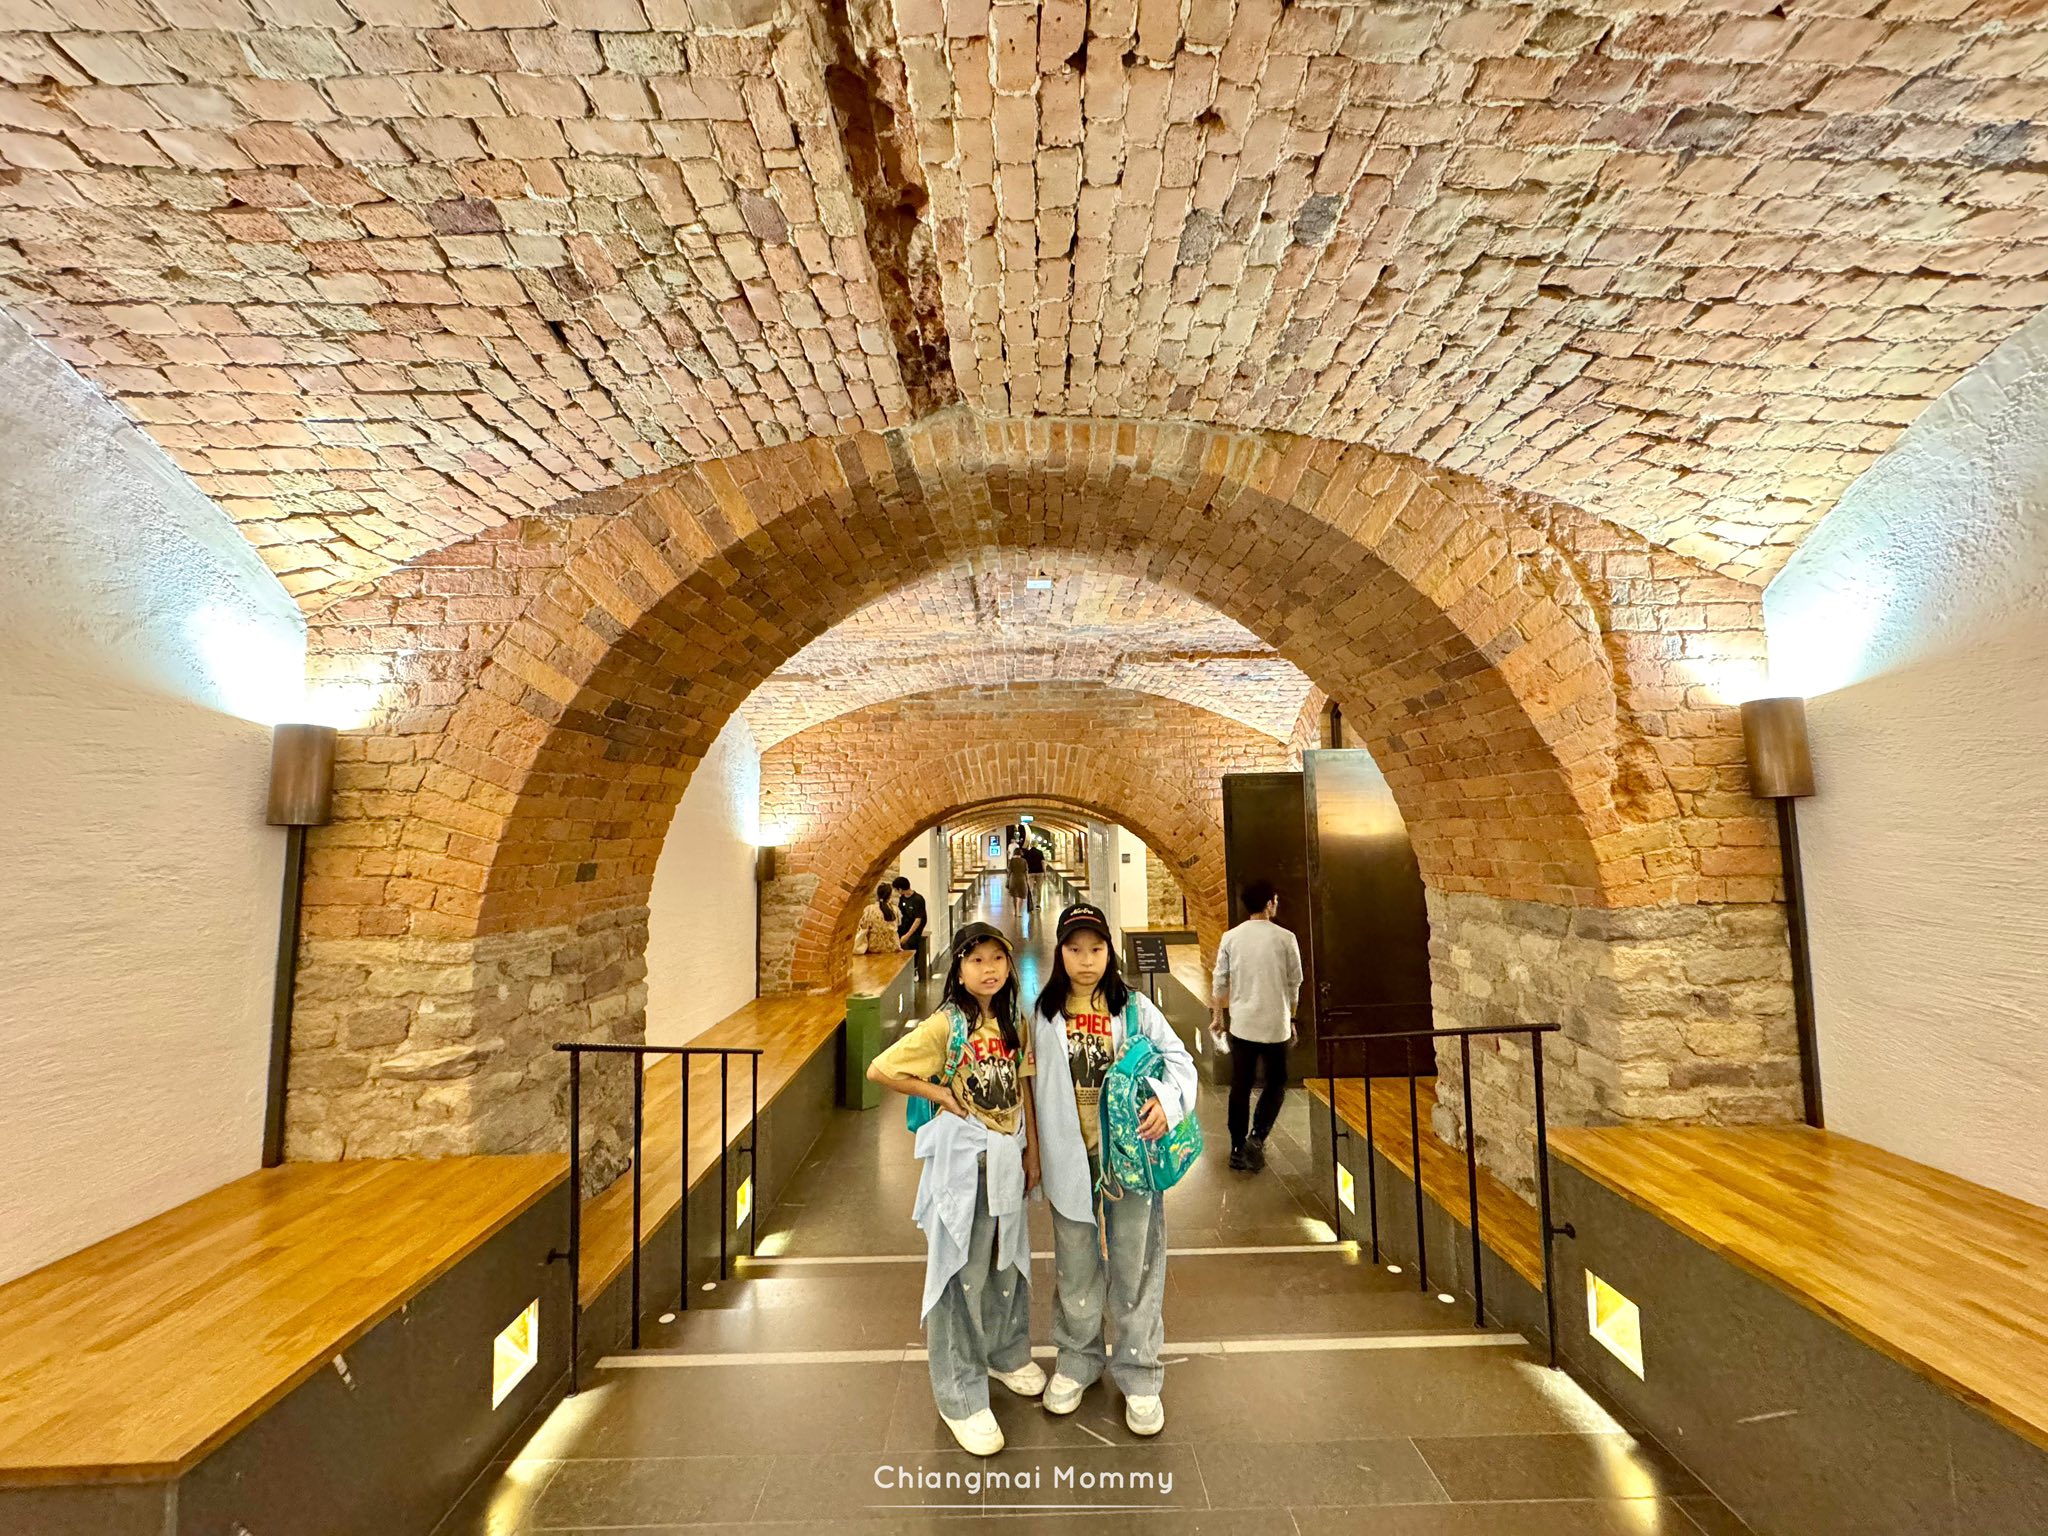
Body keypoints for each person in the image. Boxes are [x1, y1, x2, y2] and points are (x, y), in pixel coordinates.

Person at [866, 922, 1043, 1455]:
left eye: (997, 959)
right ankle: (959, 1392)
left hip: (1008, 1155)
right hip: (966, 1164)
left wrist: (1033, 1149)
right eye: (976, 960)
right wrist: (938, 1094)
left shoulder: (1013, 1020)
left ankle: (1005, 1352)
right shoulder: (946, 1024)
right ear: (959, 970)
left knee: (1007, 1259)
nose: (989, 969)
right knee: (960, 1270)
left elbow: (1024, 1085)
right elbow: (880, 1069)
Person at [1031, 900, 1198, 1438]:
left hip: (1128, 1158)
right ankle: (1077, 1359)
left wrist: (1166, 1103)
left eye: (1096, 949)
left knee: (1136, 1261)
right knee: (1075, 1262)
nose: (1086, 960)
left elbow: (1180, 1061)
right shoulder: (1043, 1013)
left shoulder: (1136, 1009)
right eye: (1075, 949)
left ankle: (1139, 1371)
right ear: (1060, 953)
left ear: (1110, 952)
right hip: (1070, 1157)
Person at [1210, 878, 1304, 1173]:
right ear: (1268, 903)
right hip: (1276, 1025)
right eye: (1275, 899)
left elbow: (1219, 981)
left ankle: (1237, 1148)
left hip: (1243, 1025)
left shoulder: (1231, 937)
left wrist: (1218, 1017)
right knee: (1276, 1083)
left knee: (1241, 1085)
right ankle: (1258, 1135)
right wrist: (1292, 1017)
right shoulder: (1286, 938)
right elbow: (1295, 983)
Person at [893, 874, 930, 981]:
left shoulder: (918, 899)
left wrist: (907, 935)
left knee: (911, 942)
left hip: (915, 928)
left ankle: (914, 969)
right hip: (904, 925)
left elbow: (918, 920)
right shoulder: (902, 898)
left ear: (900, 889)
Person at [853, 882, 898, 955]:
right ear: (889, 896)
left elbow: (863, 926)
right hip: (891, 947)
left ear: (877, 894)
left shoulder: (870, 909)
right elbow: (896, 928)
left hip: (874, 947)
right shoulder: (894, 910)